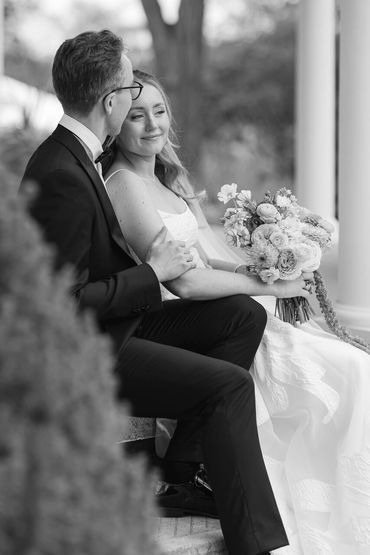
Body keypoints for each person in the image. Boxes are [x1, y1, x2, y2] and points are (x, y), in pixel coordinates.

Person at [17, 31, 300, 555]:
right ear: (112, 100)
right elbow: (59, 306)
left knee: (239, 315)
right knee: (228, 386)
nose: (137, 99)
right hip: (88, 351)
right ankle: (256, 544)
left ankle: (180, 475)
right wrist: (153, 273)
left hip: (118, 323)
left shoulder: (74, 157)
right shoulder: (61, 173)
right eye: (129, 87)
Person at [104, 69, 370, 555]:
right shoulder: (123, 185)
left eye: (159, 112)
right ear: (114, 123)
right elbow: (182, 281)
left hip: (213, 308)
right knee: (338, 363)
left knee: (343, 361)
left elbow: (204, 260)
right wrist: (265, 284)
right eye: (136, 116)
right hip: (177, 319)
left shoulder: (169, 178)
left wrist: (264, 268)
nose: (151, 125)